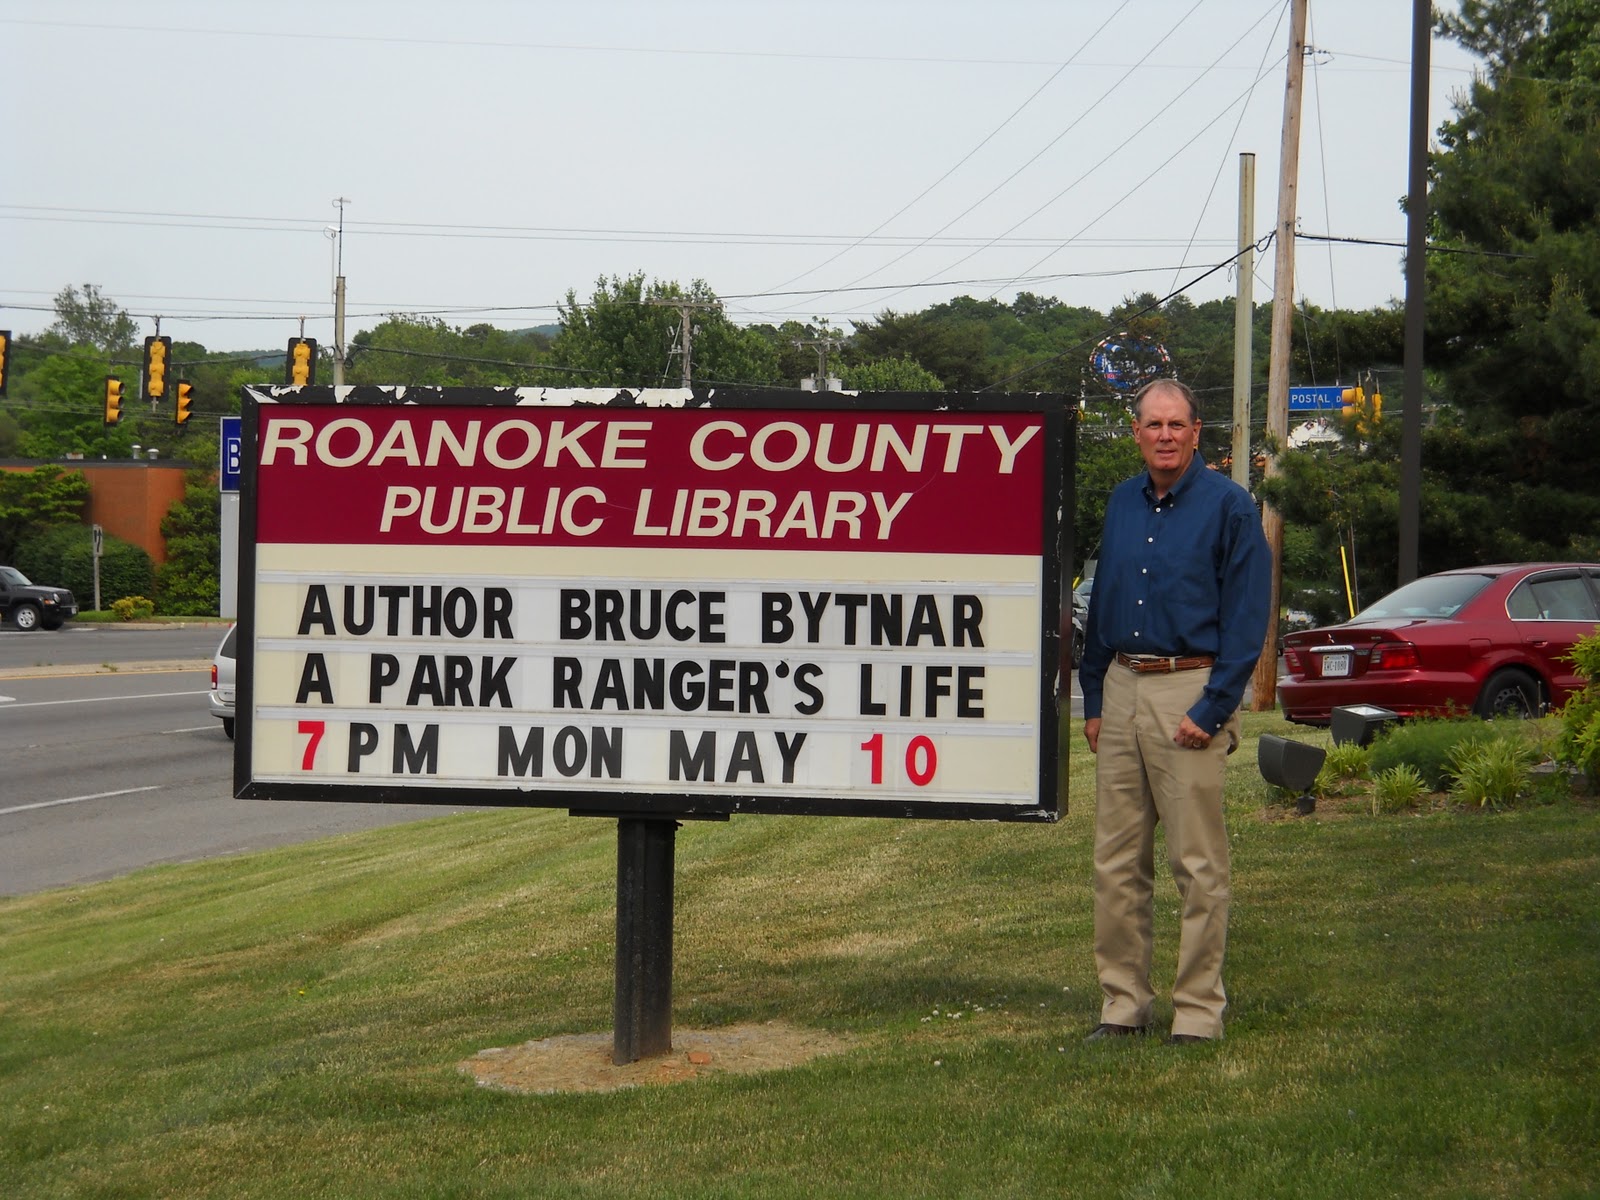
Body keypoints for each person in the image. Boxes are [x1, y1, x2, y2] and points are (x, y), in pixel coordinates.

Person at [1077, 377, 1271, 1045]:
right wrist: (1097, 696)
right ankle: (1123, 1005)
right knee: (1117, 861)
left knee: (1197, 864)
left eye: (1176, 425)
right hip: (1125, 687)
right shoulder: (1121, 503)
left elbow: (1248, 620)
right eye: (1152, 424)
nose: (1164, 435)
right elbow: (1104, 604)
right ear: (1136, 432)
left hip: (1190, 688)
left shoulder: (1230, 508)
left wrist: (1215, 707)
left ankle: (1196, 1013)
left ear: (1196, 433)